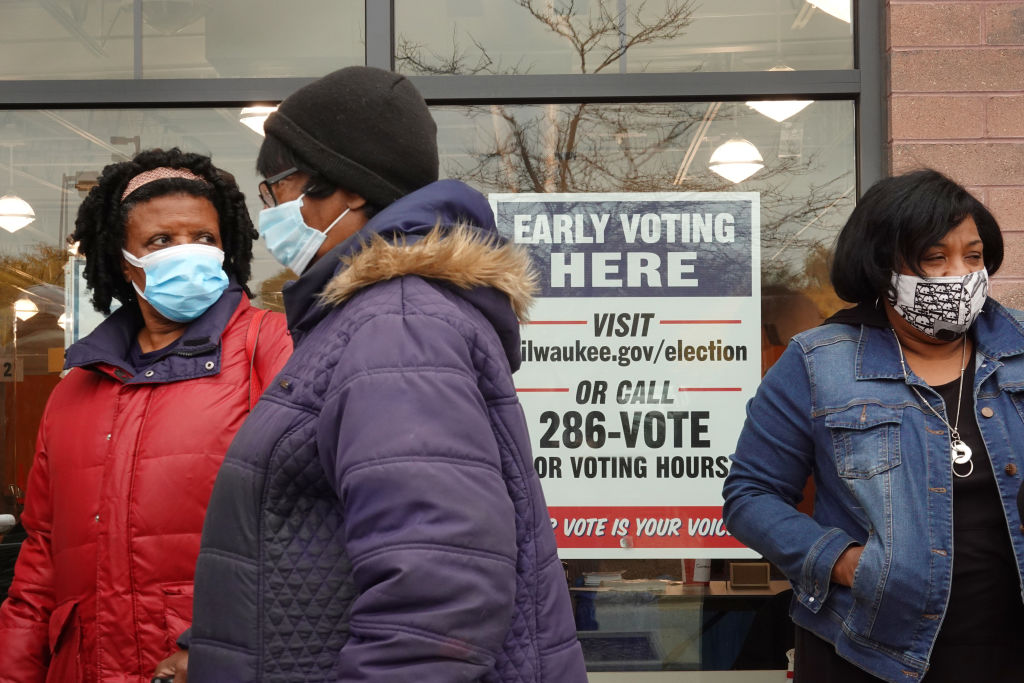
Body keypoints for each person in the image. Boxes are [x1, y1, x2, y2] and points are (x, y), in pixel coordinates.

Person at [185, 66, 587, 682]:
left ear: (343, 188)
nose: (270, 209)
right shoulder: (377, 317)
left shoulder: (395, 326)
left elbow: (438, 596)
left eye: (277, 187)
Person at [0, 148, 292, 683]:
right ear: (121, 260)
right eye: (160, 241)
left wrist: (219, 648)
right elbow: (39, 562)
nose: (188, 253)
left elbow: (311, 533)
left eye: (204, 238)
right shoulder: (75, 391)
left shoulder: (273, 351)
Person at [722, 169, 1024, 682]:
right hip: (866, 651)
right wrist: (840, 561)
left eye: (973, 257)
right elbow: (751, 496)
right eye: (935, 258)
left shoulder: (1017, 348)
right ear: (885, 266)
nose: (960, 275)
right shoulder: (818, 363)